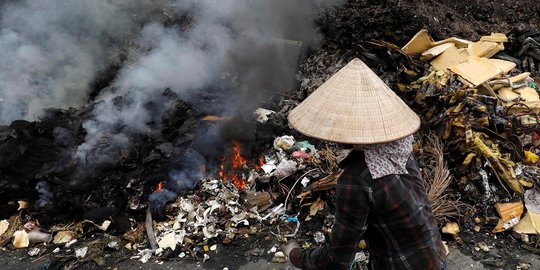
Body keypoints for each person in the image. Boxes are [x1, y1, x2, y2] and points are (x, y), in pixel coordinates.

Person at [283, 58, 447, 269]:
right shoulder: (400, 147)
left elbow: (336, 261)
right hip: (434, 257)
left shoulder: (357, 178)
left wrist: (294, 255)